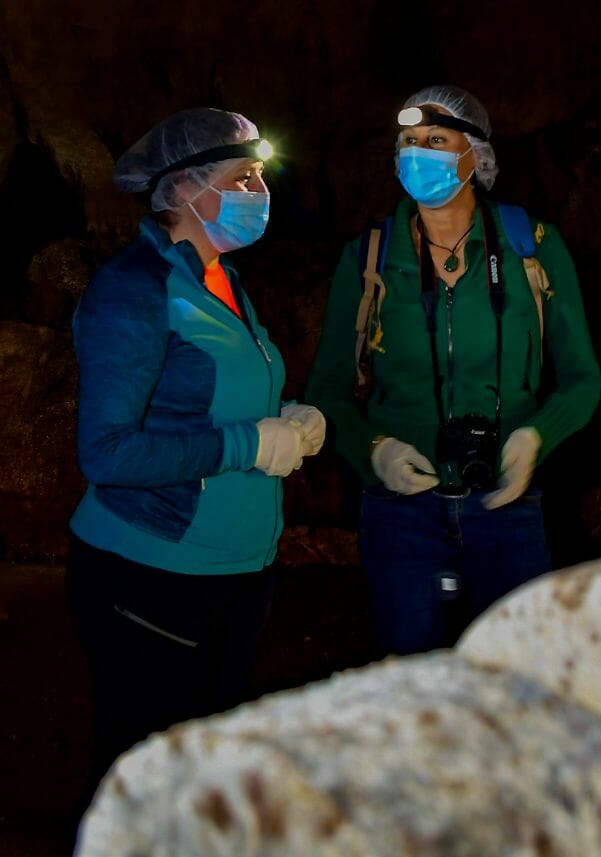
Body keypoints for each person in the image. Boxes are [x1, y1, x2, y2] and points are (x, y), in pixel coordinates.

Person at [66, 108, 325, 793]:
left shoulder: (223, 281)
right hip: (151, 576)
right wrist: (249, 443)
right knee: (149, 773)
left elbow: (214, 396)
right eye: (242, 178)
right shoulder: (134, 291)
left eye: (261, 179)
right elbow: (107, 453)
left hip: (232, 574)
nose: (257, 195)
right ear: (183, 190)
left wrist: (286, 417)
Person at [305, 85, 601, 656]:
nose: (419, 154)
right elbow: (327, 391)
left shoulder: (531, 247)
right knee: (414, 674)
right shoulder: (368, 258)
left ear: (476, 155)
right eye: (409, 143)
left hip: (506, 506)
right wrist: (374, 449)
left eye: (437, 140)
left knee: (515, 671)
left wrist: (539, 434)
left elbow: (584, 377)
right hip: (399, 511)